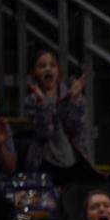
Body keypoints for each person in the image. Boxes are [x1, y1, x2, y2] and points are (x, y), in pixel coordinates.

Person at [23, 49, 99, 187]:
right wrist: (43, 103)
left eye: (52, 65)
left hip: (72, 160)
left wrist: (75, 101)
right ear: (34, 72)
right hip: (44, 162)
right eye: (42, 66)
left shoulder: (72, 95)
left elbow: (76, 129)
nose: (48, 69)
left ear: (58, 70)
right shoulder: (31, 100)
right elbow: (45, 132)